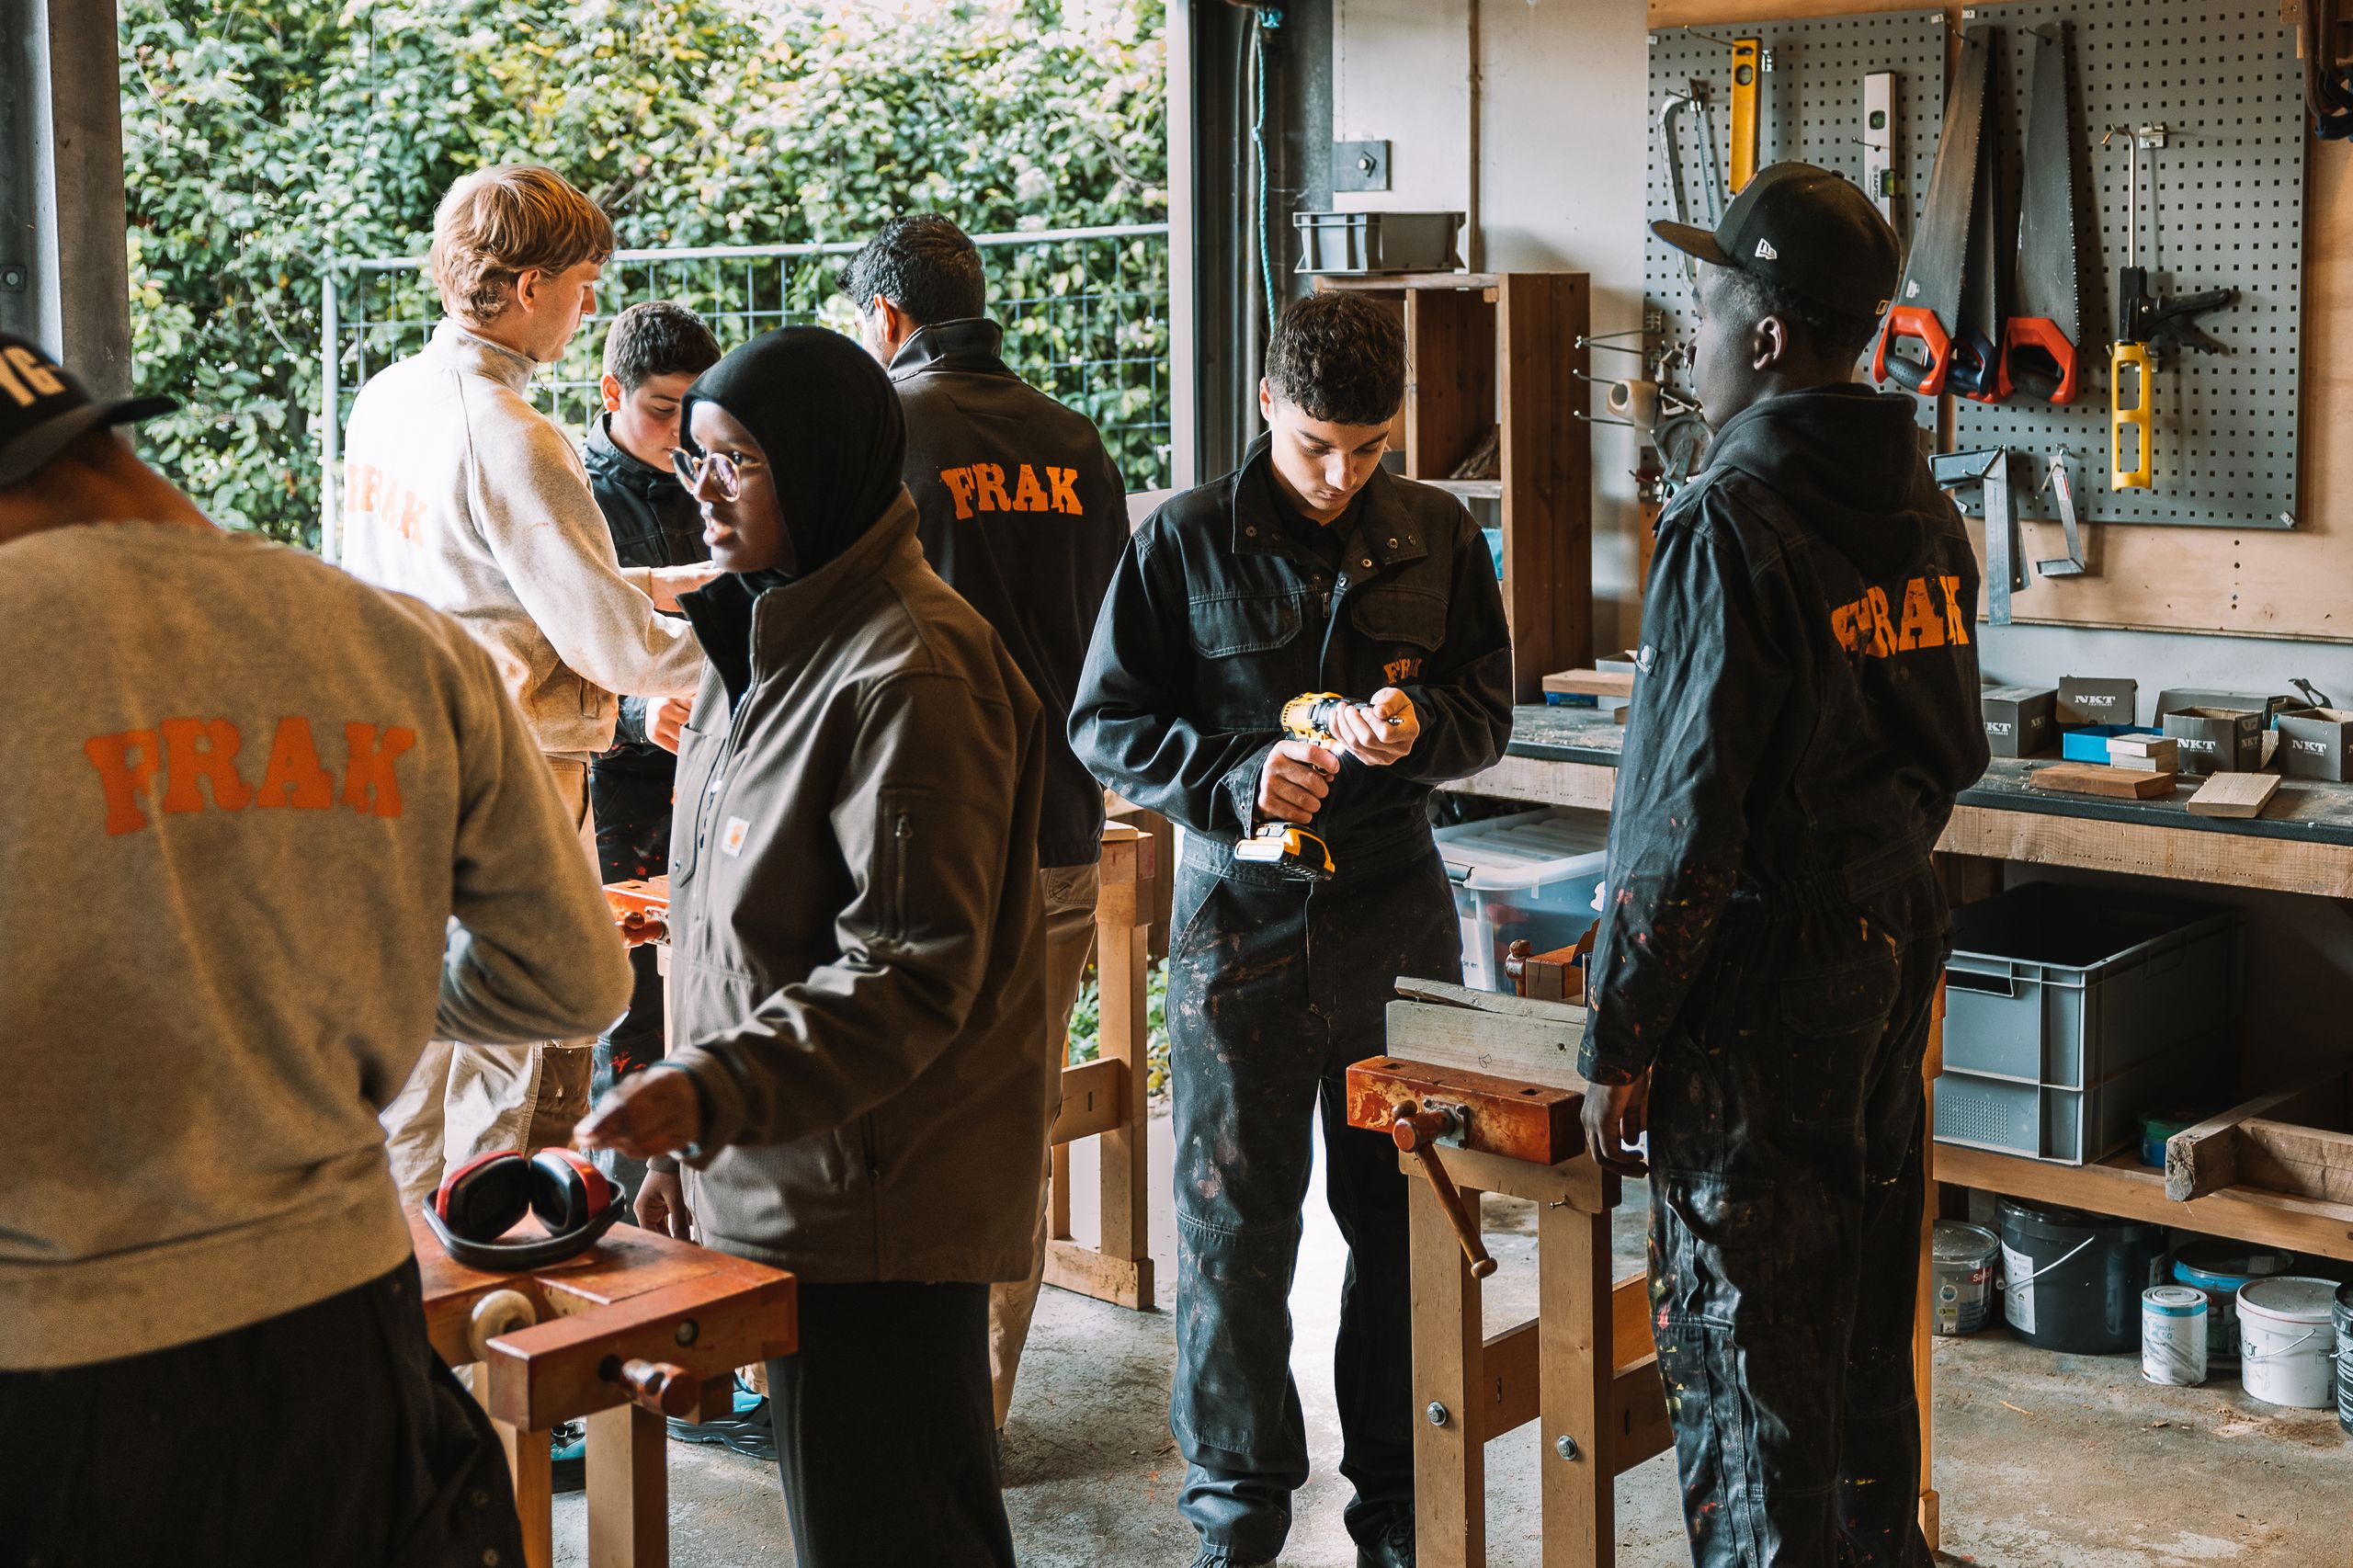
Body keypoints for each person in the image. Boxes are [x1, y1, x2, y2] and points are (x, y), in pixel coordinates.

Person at [0, 335, 634, 1565]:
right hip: (346, 1337)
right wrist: (360, 982)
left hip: (59, 1360)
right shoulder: (401, 641)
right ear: (102, 442)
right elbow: (577, 976)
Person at [577, 326, 1049, 1568]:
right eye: (696, 459)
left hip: (881, 1207)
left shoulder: (911, 669)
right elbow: (731, 924)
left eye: (735, 462)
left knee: (898, 1532)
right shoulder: (764, 641)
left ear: (825, 470)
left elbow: (905, 973)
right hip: (795, 1174)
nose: (702, 488)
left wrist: (709, 1090)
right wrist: (693, 1140)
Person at [1577, 164, 1990, 1568]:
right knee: (1866, 1321)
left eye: (1704, 302)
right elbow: (1955, 747)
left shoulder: (1730, 521)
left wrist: (1619, 1033)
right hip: (1888, 937)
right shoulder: (1922, 508)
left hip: (1762, 984)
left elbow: (1679, 823)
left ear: (1766, 335)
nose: (1687, 333)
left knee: (1753, 1348)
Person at [1069, 290, 1514, 1568]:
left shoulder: (1436, 528)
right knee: (1232, 1228)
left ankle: (1402, 1503)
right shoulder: (1184, 541)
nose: (1341, 475)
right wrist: (1233, 771)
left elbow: (1488, 703)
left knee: (1404, 1217)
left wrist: (1423, 727)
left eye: (1370, 448)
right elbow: (1103, 724)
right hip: (1237, 917)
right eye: (1319, 443)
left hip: (1396, 910)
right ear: (1267, 402)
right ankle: (1235, 1511)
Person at [339, 165, 713, 1207]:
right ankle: (501, 1290)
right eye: (585, 281)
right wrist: (762, 662)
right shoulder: (515, 433)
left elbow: (473, 578)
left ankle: (411, 1308)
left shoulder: (389, 399)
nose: (591, 304)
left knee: (417, 1049)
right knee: (515, 1055)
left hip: (395, 769)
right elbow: (615, 648)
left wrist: (655, 580)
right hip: (503, 785)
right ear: (531, 283)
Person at [842, 212, 1130, 1443]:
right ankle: (975, 1417)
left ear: (889, 318)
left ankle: (890, 1413)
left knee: (892, 1114)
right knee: (1012, 1113)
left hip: (923, 836)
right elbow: (1121, 642)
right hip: (1060, 824)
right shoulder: (1076, 442)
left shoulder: (879, 432)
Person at [584, 301, 723, 1189]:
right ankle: (624, 1227)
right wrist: (641, 713)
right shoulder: (568, 495)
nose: (685, 433)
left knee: (710, 996)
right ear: (611, 393)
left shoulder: (722, 470)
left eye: (697, 409)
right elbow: (544, 651)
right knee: (628, 1014)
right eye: (665, 410)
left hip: (722, 773)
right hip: (617, 786)